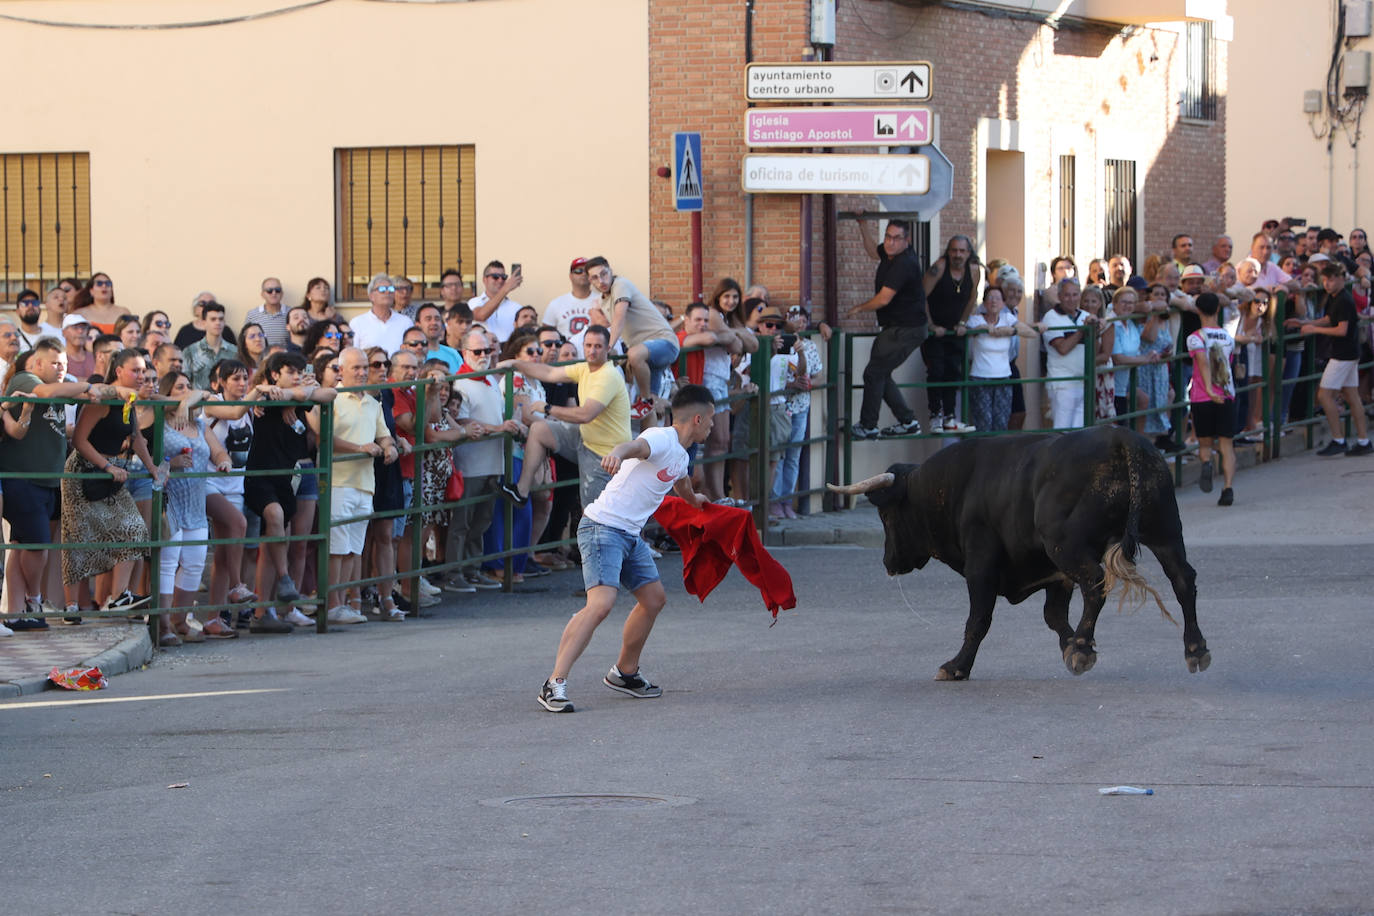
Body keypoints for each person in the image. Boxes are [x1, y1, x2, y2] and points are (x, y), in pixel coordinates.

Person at [536, 383, 715, 714]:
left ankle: (625, 673)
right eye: (712, 420)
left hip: (630, 534)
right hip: (603, 527)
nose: (713, 426)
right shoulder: (662, 438)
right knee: (601, 604)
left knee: (653, 600)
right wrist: (616, 454)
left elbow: (682, 485)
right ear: (698, 419)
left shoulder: (680, 452)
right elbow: (634, 445)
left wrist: (697, 502)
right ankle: (554, 683)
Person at [63, 349, 164, 611]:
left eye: (144, 371)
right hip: (83, 471)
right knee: (77, 538)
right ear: (119, 371)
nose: (142, 376)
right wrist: (107, 465)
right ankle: (71, 606)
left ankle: (118, 597)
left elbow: (137, 437)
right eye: (136, 371)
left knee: (136, 530)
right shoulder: (106, 397)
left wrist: (153, 468)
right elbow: (79, 441)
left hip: (112, 471)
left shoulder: (130, 399)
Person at [244, 351, 335, 632]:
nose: (296, 376)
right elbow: (249, 405)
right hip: (262, 474)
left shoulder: (297, 395)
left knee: (281, 541)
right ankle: (268, 602)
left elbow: (328, 394)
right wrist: (287, 396)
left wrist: (296, 394)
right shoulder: (262, 396)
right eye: (290, 372)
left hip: (288, 475)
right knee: (271, 534)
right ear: (274, 374)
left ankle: (277, 609)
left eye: (299, 371)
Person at [496, 325, 630, 510]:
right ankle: (521, 491)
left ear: (608, 348)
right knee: (539, 429)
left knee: (594, 515)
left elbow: (585, 415)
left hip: (604, 454)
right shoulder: (585, 368)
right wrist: (515, 364)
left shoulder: (607, 376)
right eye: (588, 345)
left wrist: (548, 408)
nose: (592, 351)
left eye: (598, 346)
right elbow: (549, 373)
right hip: (585, 438)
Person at [152, 371, 233, 647]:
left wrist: (223, 462)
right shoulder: (157, 422)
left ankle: (179, 619)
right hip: (169, 500)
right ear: (166, 392)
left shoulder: (198, 424)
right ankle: (162, 625)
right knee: (167, 563)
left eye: (189, 386)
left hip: (196, 503)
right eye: (179, 388)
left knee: (196, 562)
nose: (186, 391)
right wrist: (169, 462)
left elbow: (218, 451)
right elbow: (147, 464)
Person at [324, 347, 400, 624]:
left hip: (365, 482)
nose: (362, 372)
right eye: (356, 367)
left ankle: (342, 603)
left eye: (364, 367)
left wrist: (389, 447)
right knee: (338, 547)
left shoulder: (372, 401)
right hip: (340, 481)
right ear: (340, 370)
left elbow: (384, 434)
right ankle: (333, 604)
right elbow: (325, 438)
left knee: (353, 548)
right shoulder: (332, 398)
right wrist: (360, 447)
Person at [450, 330, 522, 590]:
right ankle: (454, 572)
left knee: (482, 520)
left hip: (491, 461)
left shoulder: (490, 379)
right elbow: (462, 420)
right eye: (477, 351)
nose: (483, 356)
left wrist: (504, 426)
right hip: (469, 463)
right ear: (465, 352)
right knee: (462, 522)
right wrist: (498, 428)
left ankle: (471, 568)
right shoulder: (460, 383)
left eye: (487, 351)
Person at [847, 216, 928, 438]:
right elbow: (874, 252)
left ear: (907, 240)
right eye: (888, 237)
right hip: (896, 328)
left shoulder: (904, 263)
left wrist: (858, 308)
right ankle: (907, 421)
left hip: (906, 329)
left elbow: (883, 299)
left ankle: (868, 425)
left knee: (874, 373)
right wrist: (863, 226)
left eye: (896, 238)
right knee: (880, 373)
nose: (890, 243)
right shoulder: (891, 254)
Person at [1288, 262, 1373, 456]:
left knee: (1324, 396)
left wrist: (1313, 329)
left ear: (1342, 279)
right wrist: (1306, 322)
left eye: (1332, 279)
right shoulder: (1335, 298)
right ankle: (1363, 440)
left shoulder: (1343, 300)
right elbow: (1329, 318)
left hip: (1343, 355)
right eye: (1325, 280)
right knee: (1352, 397)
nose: (1327, 283)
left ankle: (1338, 439)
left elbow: (1341, 330)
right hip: (1348, 353)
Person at [585, 256, 680, 420]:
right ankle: (650, 405)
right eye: (595, 277)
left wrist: (607, 348)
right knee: (650, 418)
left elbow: (619, 317)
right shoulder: (602, 300)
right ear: (589, 280)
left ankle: (645, 400)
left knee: (634, 355)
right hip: (647, 355)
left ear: (611, 271)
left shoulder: (621, 284)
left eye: (604, 274)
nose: (601, 280)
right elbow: (612, 325)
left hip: (664, 343)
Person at [677, 299, 741, 503]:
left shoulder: (695, 338)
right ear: (686, 320)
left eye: (706, 320)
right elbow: (711, 338)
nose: (702, 324)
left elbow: (738, 343)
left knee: (690, 469)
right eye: (697, 320)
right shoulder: (683, 337)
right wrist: (722, 333)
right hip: (680, 412)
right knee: (683, 473)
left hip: (693, 406)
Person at [965, 287, 1040, 433]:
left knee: (1001, 424)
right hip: (980, 378)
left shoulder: (1007, 319)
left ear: (1003, 303)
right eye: (990, 298)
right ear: (984, 303)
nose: (994, 301)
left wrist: (1011, 331)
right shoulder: (976, 320)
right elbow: (965, 332)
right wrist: (981, 329)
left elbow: (1031, 333)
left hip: (1004, 378)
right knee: (983, 424)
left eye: (998, 298)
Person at [1188, 293, 1239, 504]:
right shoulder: (1228, 337)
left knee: (1205, 443)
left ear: (1198, 310)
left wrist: (1208, 389)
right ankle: (1228, 487)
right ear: (1218, 309)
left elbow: (1202, 362)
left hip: (1202, 396)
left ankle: (1207, 462)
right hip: (1226, 394)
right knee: (1227, 445)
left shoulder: (1195, 338)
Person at [1042, 278, 1097, 429]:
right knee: (1062, 431)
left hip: (1084, 381)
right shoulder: (1051, 317)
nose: (1071, 299)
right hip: (1062, 383)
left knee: (1080, 431)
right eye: (1067, 295)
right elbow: (1063, 348)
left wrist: (1098, 327)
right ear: (1059, 296)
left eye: (1075, 294)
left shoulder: (1085, 315)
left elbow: (1096, 349)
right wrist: (1083, 330)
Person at [544, 257, 600, 356]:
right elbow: (546, 335)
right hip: (565, 359)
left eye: (586, 271)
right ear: (570, 276)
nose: (583, 274)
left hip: (593, 356)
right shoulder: (556, 304)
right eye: (578, 271)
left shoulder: (602, 301)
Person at [350, 273, 413, 354]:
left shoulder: (406, 322)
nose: (387, 292)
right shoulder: (357, 323)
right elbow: (354, 354)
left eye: (390, 289)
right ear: (371, 296)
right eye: (382, 289)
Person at [183, 302, 237, 389]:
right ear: (204, 323)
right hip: (200, 401)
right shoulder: (190, 351)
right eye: (213, 319)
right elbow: (185, 383)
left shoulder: (235, 352)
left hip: (227, 402)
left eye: (221, 319)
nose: (218, 323)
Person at [469, 260, 525, 343]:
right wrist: (505, 289)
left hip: (507, 353)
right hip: (482, 352)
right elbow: (481, 316)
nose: (500, 280)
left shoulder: (517, 307)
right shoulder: (474, 302)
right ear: (485, 280)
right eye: (495, 277)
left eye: (503, 277)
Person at [246, 277, 291, 348]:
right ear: (262, 294)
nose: (274, 293)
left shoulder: (291, 313)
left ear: (282, 293)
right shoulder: (252, 314)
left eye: (277, 290)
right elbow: (246, 338)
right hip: (261, 358)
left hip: (285, 357)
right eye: (269, 290)